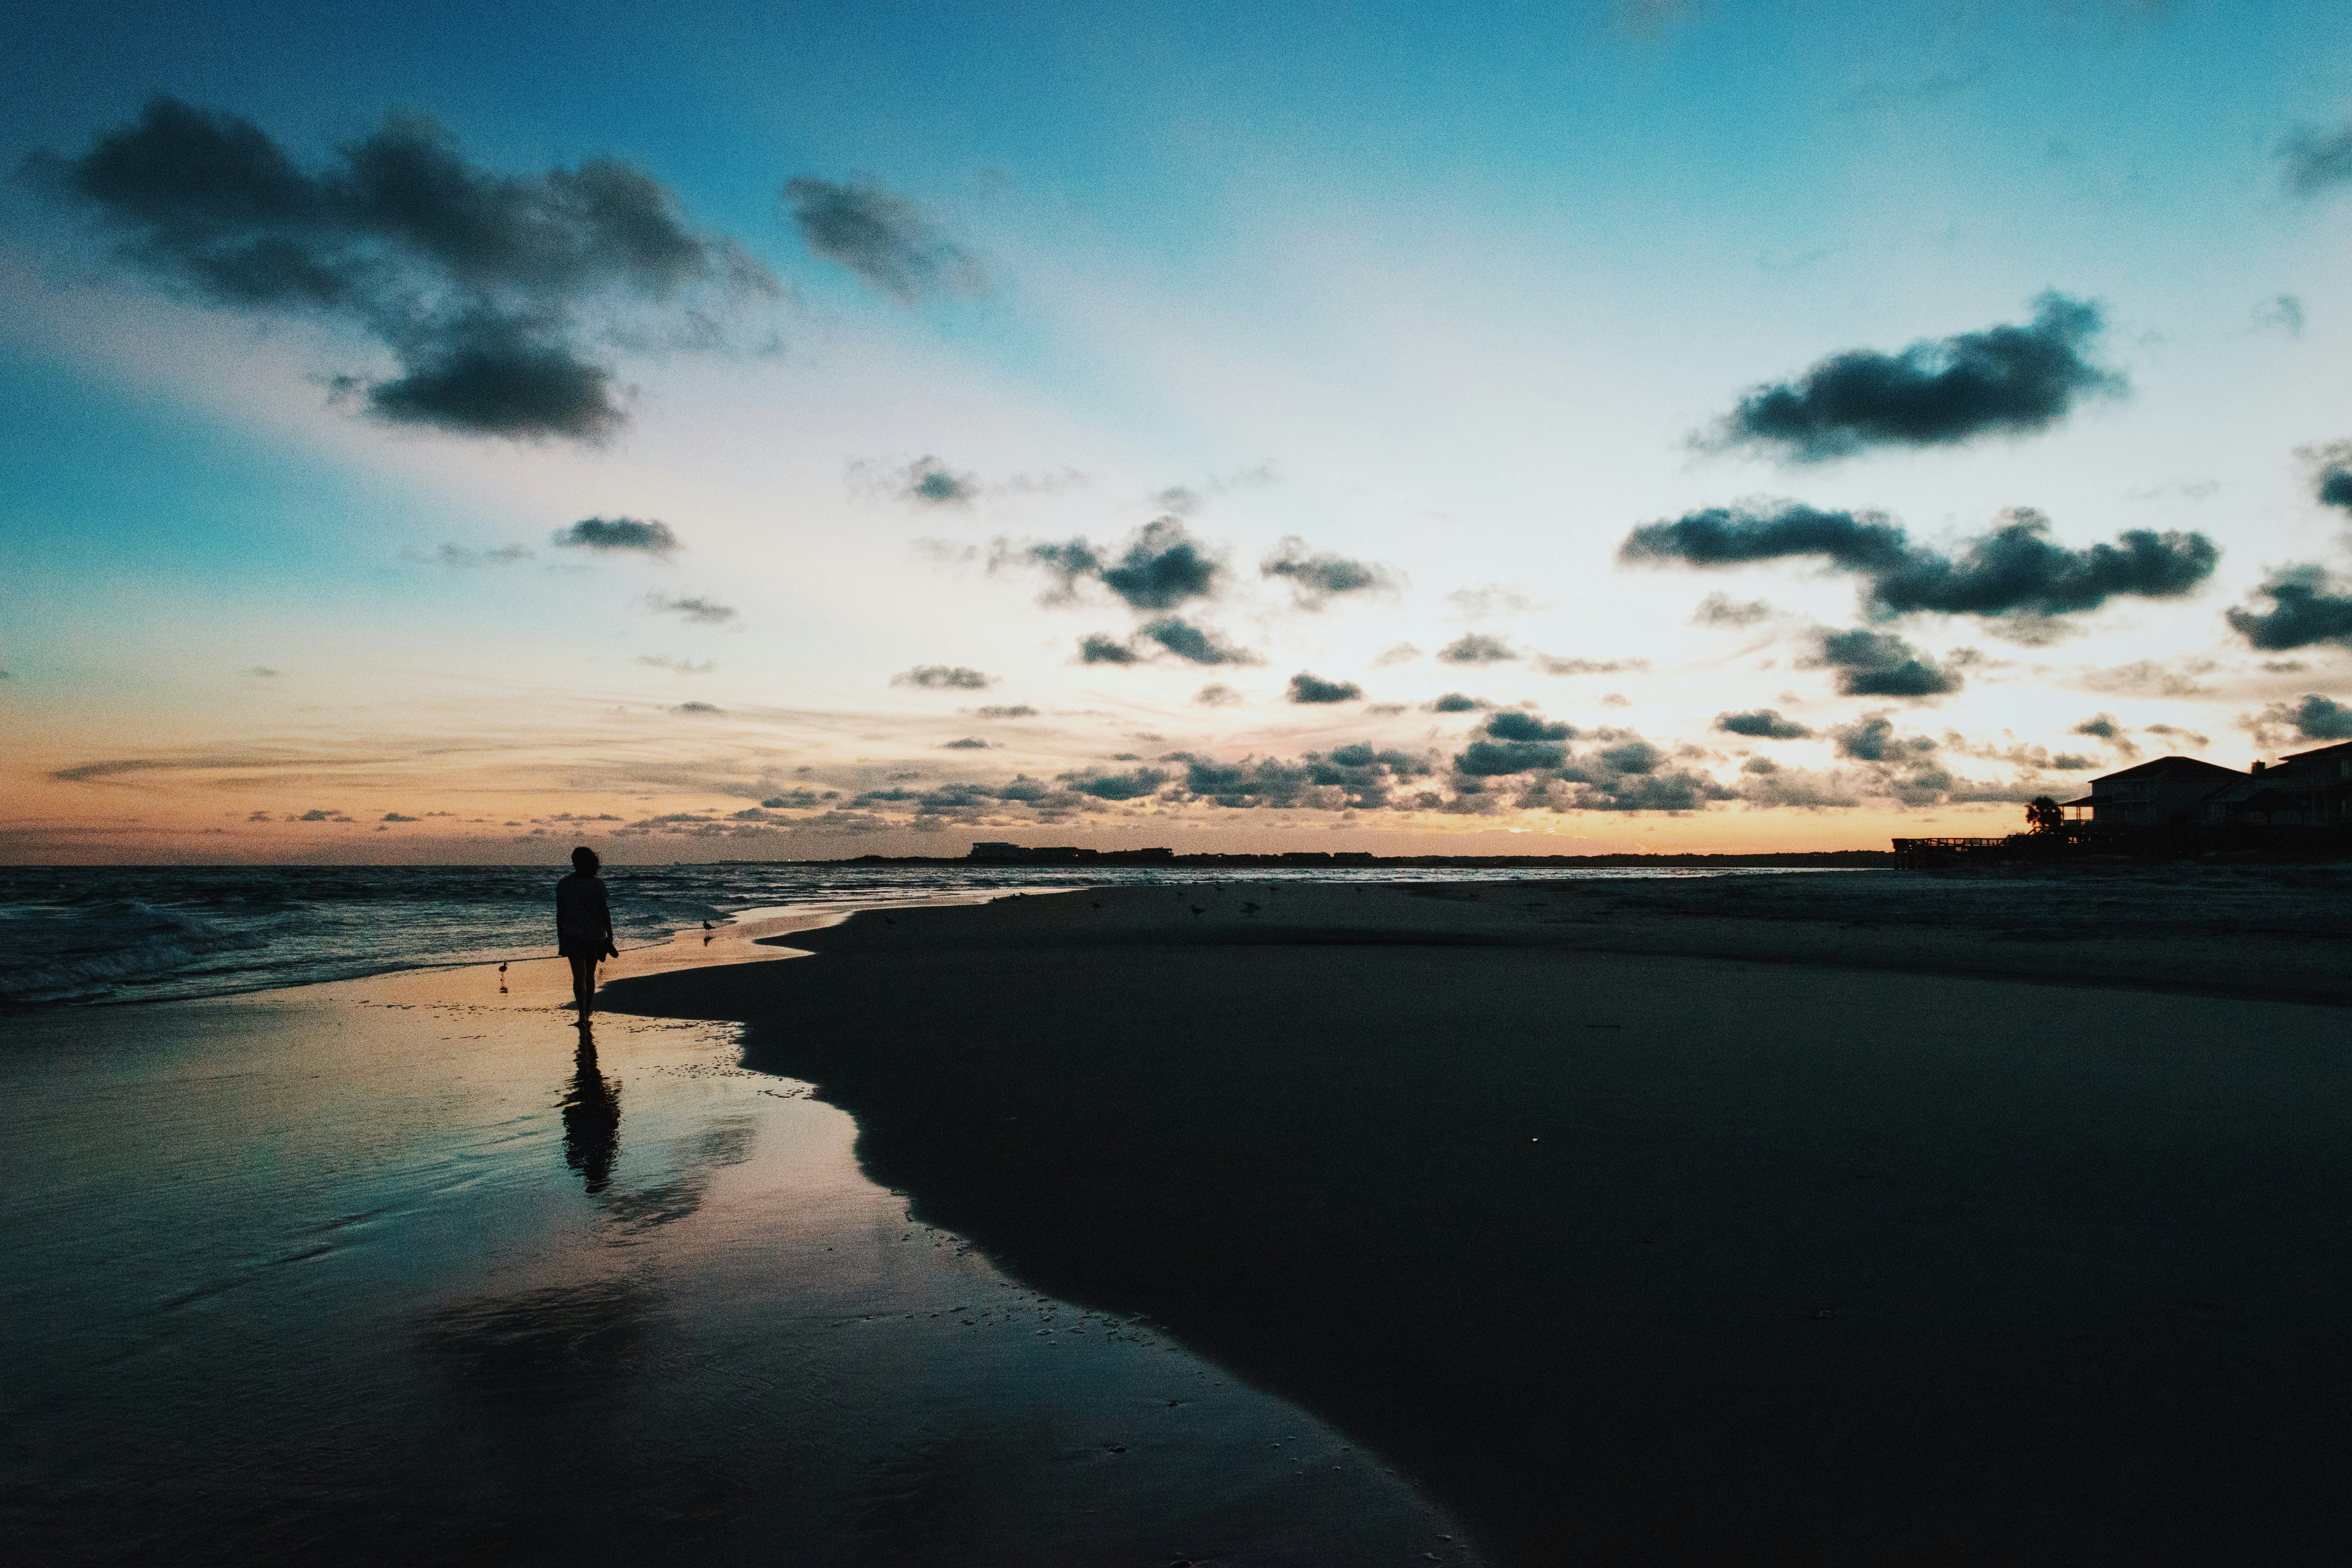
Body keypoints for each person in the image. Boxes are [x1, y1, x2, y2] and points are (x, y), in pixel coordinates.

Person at [555, 846, 617, 1024]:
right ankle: (587, 1010)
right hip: (595, 935)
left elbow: (561, 914)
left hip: (573, 935)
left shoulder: (565, 884)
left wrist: (561, 938)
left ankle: (582, 1014)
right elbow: (604, 911)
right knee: (589, 975)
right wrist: (610, 934)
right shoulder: (597, 885)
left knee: (579, 977)